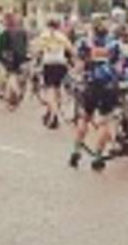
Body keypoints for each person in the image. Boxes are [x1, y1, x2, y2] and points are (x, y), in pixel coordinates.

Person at [70, 13, 123, 171]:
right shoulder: (114, 43)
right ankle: (98, 157)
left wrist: (75, 75)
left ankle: (76, 151)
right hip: (109, 85)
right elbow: (119, 66)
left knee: (85, 118)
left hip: (92, 84)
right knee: (105, 122)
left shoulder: (85, 42)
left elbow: (79, 65)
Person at [34, 15, 73, 128]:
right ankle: (52, 113)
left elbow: (37, 50)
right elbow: (71, 49)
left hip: (49, 64)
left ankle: (54, 115)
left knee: (50, 91)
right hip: (61, 64)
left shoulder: (44, 36)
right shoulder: (62, 36)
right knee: (57, 89)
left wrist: (36, 57)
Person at [0, 12, 31, 107]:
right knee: (13, 77)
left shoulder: (5, 32)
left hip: (10, 57)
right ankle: (9, 100)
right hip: (22, 57)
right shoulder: (23, 31)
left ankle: (17, 92)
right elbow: (26, 44)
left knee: (11, 76)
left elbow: (0, 47)